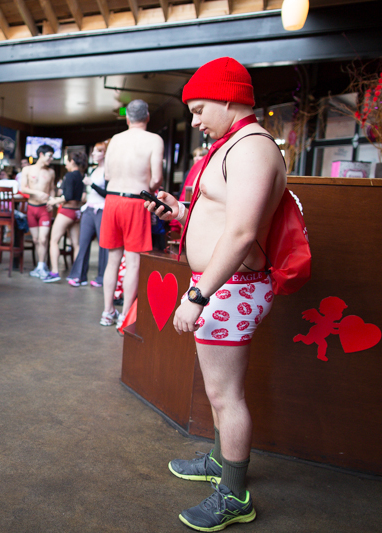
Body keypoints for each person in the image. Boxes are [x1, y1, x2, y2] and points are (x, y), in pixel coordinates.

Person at [144, 57, 286, 531]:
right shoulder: (236, 144)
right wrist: (184, 214)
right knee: (217, 389)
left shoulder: (250, 148)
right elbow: (226, 218)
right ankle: (222, 464)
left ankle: (235, 495)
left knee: (227, 395)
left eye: (201, 108)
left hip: (230, 287)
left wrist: (198, 294)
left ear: (229, 99)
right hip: (224, 284)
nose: (195, 120)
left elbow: (244, 233)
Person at [99, 99, 164, 328]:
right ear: (147, 117)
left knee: (112, 260)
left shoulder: (115, 139)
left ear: (127, 118)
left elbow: (106, 173)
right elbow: (156, 178)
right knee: (133, 261)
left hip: (112, 200)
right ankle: (124, 316)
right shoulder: (154, 140)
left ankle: (107, 312)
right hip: (136, 202)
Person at [67, 140, 110, 288]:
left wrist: (91, 184)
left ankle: (102, 277)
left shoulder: (107, 171)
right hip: (89, 209)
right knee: (83, 242)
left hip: (102, 209)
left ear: (105, 154)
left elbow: (108, 194)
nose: (94, 154)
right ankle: (78, 276)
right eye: (94, 151)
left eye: (98, 151)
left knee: (103, 245)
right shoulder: (93, 170)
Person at [42, 151, 87, 282]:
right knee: (76, 244)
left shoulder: (69, 175)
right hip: (77, 212)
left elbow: (67, 196)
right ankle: (78, 274)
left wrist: (53, 201)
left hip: (67, 211)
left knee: (54, 241)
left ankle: (55, 272)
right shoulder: (81, 176)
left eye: (67, 161)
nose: (66, 164)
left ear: (72, 162)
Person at [19, 145, 56, 279]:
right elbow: (23, 188)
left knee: (43, 238)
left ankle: (41, 265)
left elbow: (52, 189)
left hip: (44, 209)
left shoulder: (51, 172)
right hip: (31, 207)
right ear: (41, 154)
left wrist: (51, 199)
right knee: (35, 239)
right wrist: (37, 192)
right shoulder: (27, 169)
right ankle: (41, 265)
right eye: (49, 156)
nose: (51, 159)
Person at [170, 146, 209, 234]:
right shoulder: (189, 172)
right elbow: (182, 191)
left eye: (200, 156)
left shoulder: (205, 171)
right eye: (195, 156)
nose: (197, 158)